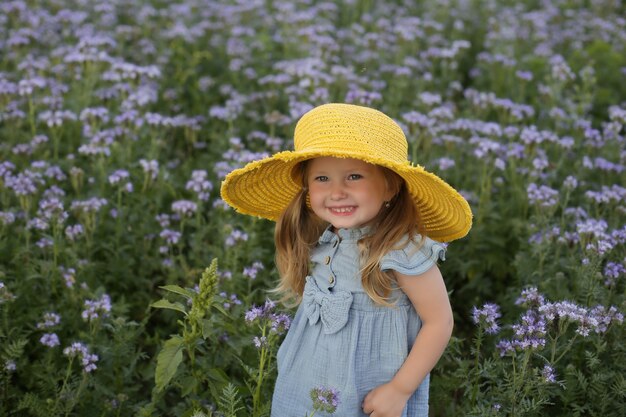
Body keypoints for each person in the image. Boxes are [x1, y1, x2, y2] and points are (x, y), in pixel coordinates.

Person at [220, 103, 472, 417]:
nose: (337, 192)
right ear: (308, 189)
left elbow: (439, 322)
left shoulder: (400, 251)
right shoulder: (322, 241)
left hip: (370, 387)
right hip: (309, 381)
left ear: (390, 186)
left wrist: (400, 389)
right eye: (322, 178)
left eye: (354, 176)